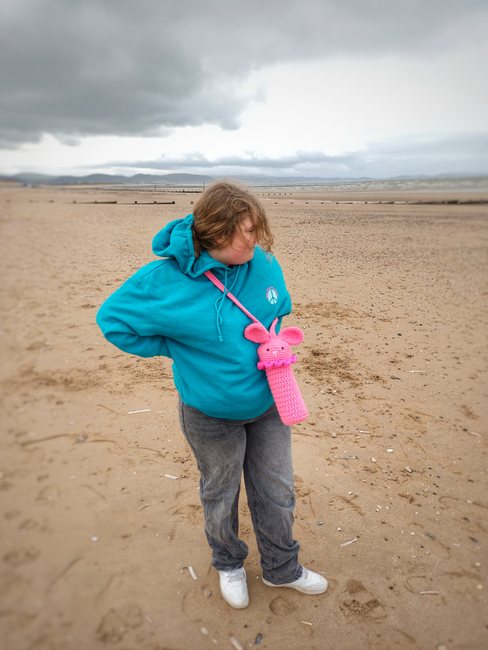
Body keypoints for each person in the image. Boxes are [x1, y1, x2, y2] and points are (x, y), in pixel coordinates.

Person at [96, 180, 328, 609]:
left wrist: (273, 341)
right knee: (220, 493)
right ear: (217, 233)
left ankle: (281, 568)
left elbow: (279, 308)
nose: (255, 240)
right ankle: (228, 563)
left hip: (268, 403)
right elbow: (112, 321)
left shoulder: (263, 263)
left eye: (257, 230)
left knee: (277, 490)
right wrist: (177, 348)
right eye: (247, 232)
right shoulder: (160, 282)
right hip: (209, 414)